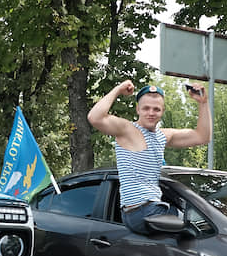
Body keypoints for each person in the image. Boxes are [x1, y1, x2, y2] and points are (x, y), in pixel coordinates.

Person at [88, 79, 212, 234]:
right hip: (140, 212)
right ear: (137, 109)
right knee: (197, 229)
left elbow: (203, 137)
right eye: (146, 108)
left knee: (200, 223)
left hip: (154, 209)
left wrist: (203, 103)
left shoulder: (162, 136)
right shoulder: (127, 130)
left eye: (156, 109)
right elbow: (95, 117)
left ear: (163, 111)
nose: (151, 113)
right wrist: (119, 89)